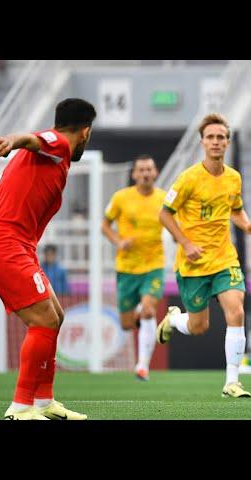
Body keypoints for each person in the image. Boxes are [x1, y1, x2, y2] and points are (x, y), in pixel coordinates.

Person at [0, 98, 96, 420]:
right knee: (43, 319)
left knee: (55, 314)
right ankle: (20, 406)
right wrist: (14, 140)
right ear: (85, 131)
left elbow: (37, 143)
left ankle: (44, 401)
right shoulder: (59, 146)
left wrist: (22, 142)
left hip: (16, 244)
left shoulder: (51, 156)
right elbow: (35, 139)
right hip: (3, 243)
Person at [157, 113, 251, 398]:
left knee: (236, 309)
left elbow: (236, 210)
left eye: (221, 137)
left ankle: (232, 381)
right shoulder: (188, 178)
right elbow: (164, 214)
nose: (216, 142)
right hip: (193, 263)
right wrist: (186, 244)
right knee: (198, 325)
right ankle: (174, 319)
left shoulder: (233, 178)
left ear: (227, 142)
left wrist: (247, 224)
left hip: (224, 257)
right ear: (202, 142)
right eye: (211, 137)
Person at [101, 155, 166, 381]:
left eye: (149, 169)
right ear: (134, 174)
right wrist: (118, 241)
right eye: (141, 170)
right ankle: (138, 310)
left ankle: (142, 366)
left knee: (149, 310)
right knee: (127, 325)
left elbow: (177, 223)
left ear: (155, 172)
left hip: (154, 265)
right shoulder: (121, 198)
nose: (146, 173)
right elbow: (104, 225)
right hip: (127, 267)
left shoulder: (164, 199)